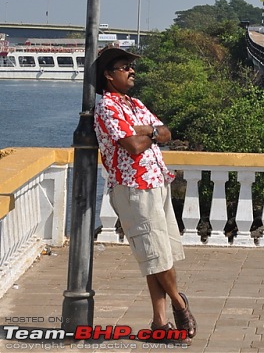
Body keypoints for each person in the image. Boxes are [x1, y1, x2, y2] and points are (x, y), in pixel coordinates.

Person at [94, 46, 196, 338]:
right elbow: (133, 146)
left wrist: (146, 130)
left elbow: (167, 133)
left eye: (130, 66)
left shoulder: (135, 104)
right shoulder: (107, 107)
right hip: (133, 188)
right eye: (124, 67)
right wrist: (149, 133)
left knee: (158, 255)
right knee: (156, 253)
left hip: (156, 182)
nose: (131, 70)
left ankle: (159, 323)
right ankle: (179, 305)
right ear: (108, 75)